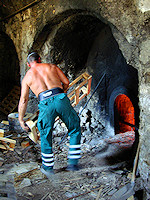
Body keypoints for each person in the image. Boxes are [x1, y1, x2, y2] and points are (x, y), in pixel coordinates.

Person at [18, 52, 81, 178]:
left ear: (28, 64)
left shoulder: (27, 78)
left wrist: (20, 119)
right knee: (74, 128)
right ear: (40, 59)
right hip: (60, 98)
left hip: (45, 105)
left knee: (45, 134)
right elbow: (66, 81)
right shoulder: (52, 67)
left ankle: (48, 168)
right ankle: (73, 164)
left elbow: (23, 100)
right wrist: (62, 93)